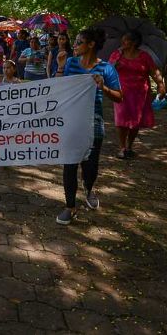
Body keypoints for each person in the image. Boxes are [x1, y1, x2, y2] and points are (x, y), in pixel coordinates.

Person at [56, 27, 123, 225]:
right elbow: (59, 88)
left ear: (91, 45)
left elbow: (119, 97)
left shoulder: (107, 69)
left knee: (90, 166)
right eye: (75, 42)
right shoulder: (70, 63)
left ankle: (89, 187)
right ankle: (70, 206)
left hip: (94, 121)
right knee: (70, 163)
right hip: (71, 119)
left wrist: (104, 87)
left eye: (79, 42)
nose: (74, 45)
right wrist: (60, 67)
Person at [109, 31, 166, 159]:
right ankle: (122, 147)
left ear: (134, 42)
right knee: (121, 119)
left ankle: (129, 146)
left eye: (126, 40)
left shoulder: (144, 56)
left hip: (140, 93)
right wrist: (114, 66)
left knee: (135, 121)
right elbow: (107, 70)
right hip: (120, 91)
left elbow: (154, 71)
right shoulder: (116, 55)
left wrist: (161, 84)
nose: (122, 43)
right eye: (122, 40)